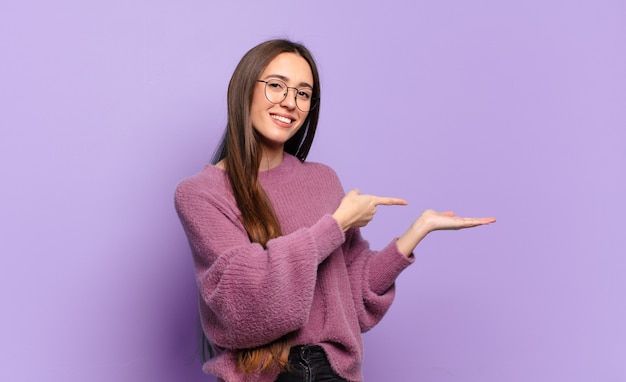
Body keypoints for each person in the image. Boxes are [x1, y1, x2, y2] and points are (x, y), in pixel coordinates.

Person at [174, 39, 495, 382]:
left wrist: (416, 232)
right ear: (244, 90)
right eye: (276, 86)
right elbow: (244, 304)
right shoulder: (201, 194)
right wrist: (336, 224)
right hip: (262, 374)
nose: (289, 102)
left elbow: (353, 297)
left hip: (334, 371)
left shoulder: (322, 180)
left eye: (303, 93)